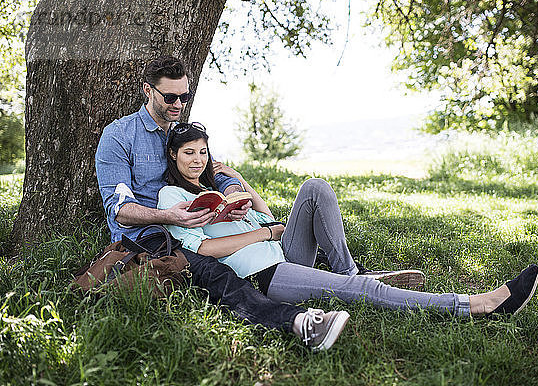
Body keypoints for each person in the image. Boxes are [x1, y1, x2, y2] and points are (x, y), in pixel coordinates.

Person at [95, 55, 350, 351]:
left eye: (184, 96)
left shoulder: (182, 132)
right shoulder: (119, 135)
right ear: (147, 91)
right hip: (151, 238)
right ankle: (300, 323)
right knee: (217, 275)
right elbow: (120, 210)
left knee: (279, 238)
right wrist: (168, 216)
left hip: (194, 223)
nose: (178, 104)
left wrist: (232, 196)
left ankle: (344, 274)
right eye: (170, 97)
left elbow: (215, 171)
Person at [158, 123, 538, 318]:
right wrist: (264, 231)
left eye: (203, 152)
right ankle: (476, 305)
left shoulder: (221, 186)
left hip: (282, 252)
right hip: (266, 274)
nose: (197, 160)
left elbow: (272, 219)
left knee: (315, 187)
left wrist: (242, 185)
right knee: (369, 294)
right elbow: (206, 249)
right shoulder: (171, 197)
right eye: (188, 152)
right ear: (173, 156)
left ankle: (349, 271)